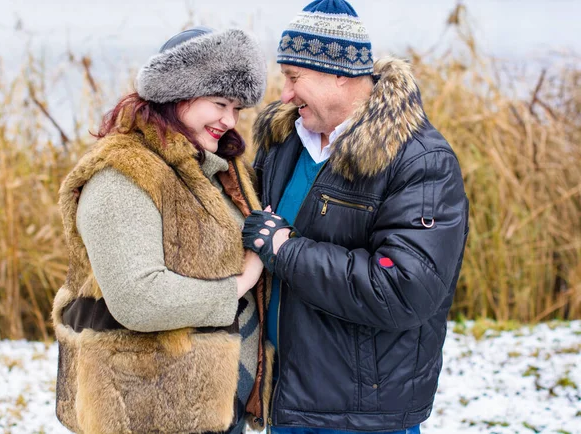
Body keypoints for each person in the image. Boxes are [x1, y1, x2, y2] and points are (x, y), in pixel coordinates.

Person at [242, 1, 469, 433]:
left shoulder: (420, 160)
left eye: (294, 78)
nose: (285, 94)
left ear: (338, 74)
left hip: (363, 416)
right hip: (286, 400)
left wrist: (283, 249)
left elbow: (405, 288)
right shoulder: (284, 141)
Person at [51, 26, 273, 434]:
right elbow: (140, 298)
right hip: (144, 408)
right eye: (219, 102)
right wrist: (242, 281)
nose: (229, 120)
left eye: (238, 108)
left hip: (211, 405)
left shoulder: (217, 170)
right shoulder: (123, 175)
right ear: (177, 93)